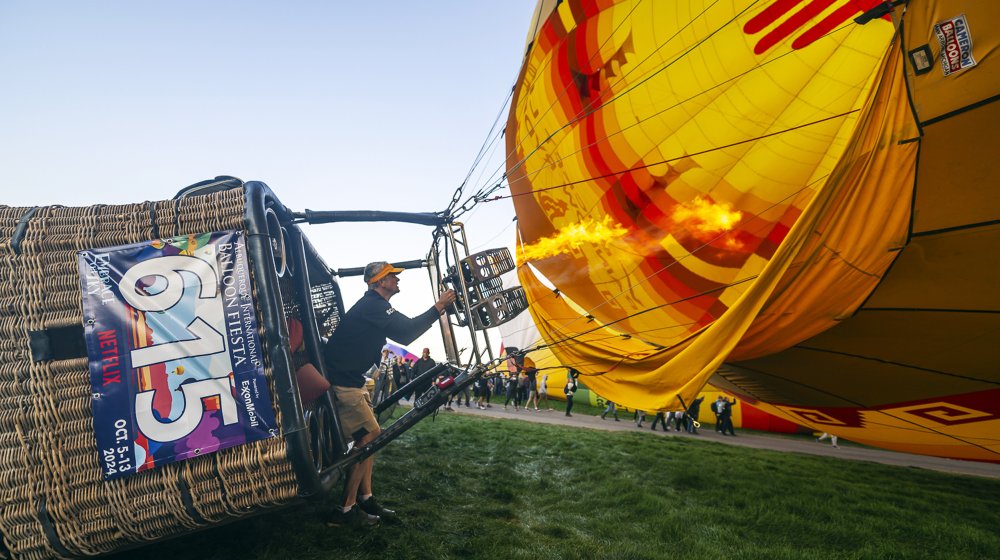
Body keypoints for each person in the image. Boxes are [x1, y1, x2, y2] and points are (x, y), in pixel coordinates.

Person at [323, 261, 456, 527]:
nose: (397, 280)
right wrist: (439, 306)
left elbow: (404, 330)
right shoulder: (373, 305)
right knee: (371, 436)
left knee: (372, 439)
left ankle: (366, 497)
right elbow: (407, 332)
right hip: (344, 383)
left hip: (352, 380)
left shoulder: (376, 306)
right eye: (391, 276)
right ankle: (345, 511)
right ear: (378, 282)